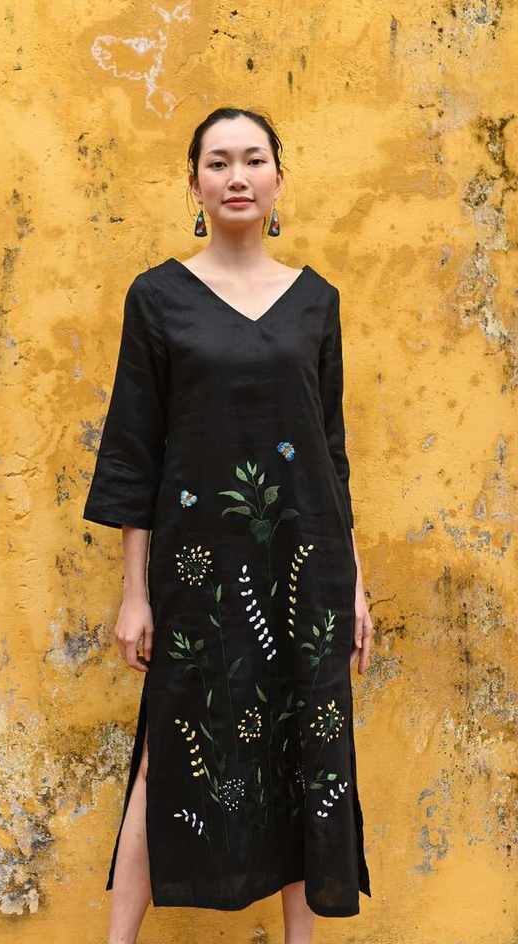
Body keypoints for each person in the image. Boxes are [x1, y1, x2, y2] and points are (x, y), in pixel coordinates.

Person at [83, 106, 374, 944]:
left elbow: (329, 453)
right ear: (195, 184)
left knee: (304, 751)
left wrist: (353, 581)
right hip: (199, 572)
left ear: (279, 178)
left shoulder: (316, 302)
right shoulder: (157, 298)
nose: (236, 177)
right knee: (168, 751)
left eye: (252, 160)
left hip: (305, 568)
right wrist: (134, 594)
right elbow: (133, 453)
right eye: (218, 163)